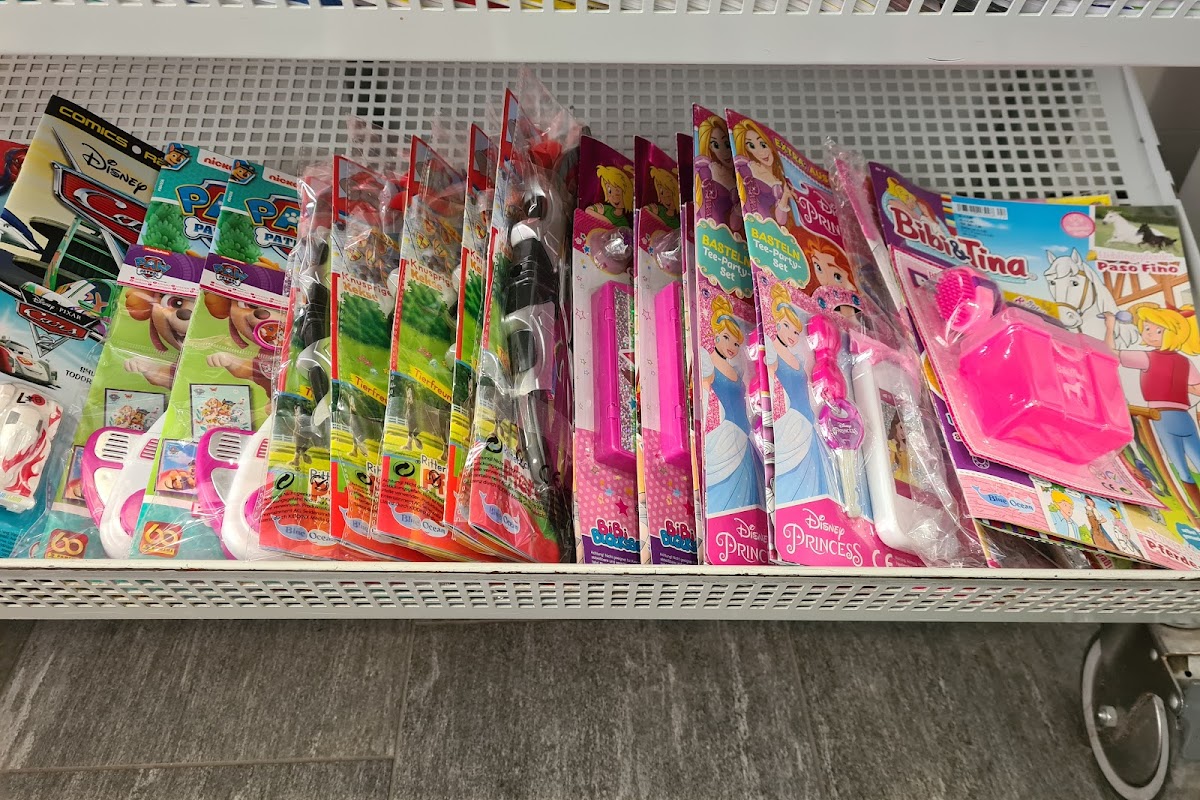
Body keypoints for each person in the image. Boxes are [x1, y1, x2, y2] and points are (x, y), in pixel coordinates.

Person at [1105, 303, 1200, 513]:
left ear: (1173, 333)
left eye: (1158, 330)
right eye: (1147, 328)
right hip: (1182, 416)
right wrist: (1176, 384)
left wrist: (1110, 327)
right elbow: (1196, 388)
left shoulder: (1148, 357)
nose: (1149, 333)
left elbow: (1110, 352)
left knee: (1180, 468)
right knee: (1189, 464)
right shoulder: (1185, 362)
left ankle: (1194, 509)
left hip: (1162, 417)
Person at [764, 283, 829, 504]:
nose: (792, 335)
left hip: (807, 422)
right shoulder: (771, 352)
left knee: (813, 480)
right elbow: (771, 388)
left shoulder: (797, 356)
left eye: (795, 330)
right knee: (790, 483)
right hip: (787, 425)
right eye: (786, 326)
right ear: (776, 324)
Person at [701, 296, 763, 513]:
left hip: (744, 436)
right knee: (726, 495)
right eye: (726, 338)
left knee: (748, 495)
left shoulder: (737, 369)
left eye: (736, 343)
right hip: (724, 437)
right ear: (716, 336)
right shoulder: (708, 364)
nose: (732, 346)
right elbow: (705, 401)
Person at [731, 118, 793, 225]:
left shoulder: (780, 180)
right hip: (754, 227)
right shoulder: (750, 171)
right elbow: (734, 223)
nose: (761, 152)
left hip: (769, 230)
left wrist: (786, 195)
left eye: (763, 145)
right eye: (752, 146)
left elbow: (781, 220)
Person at [694, 114, 742, 235]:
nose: (724, 152)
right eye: (716, 146)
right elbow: (733, 225)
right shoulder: (710, 176)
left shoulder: (742, 173)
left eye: (727, 145)